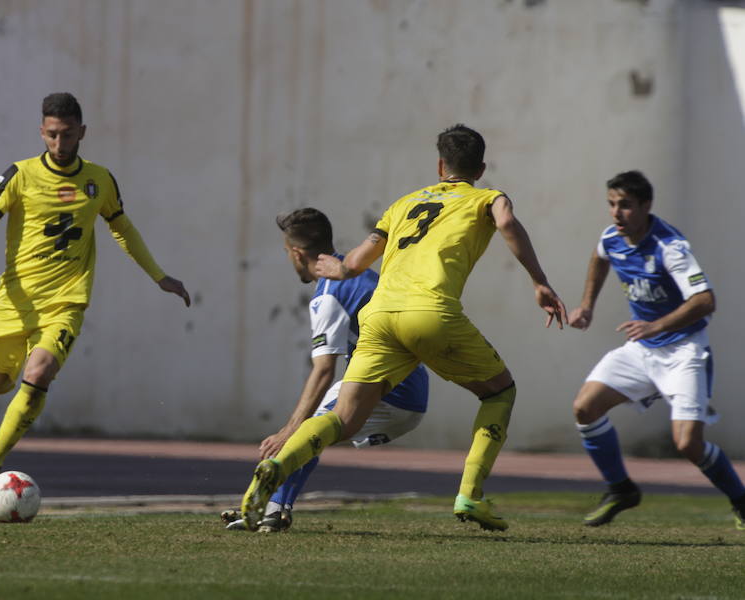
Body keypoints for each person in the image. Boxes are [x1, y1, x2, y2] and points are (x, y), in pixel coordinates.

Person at [239, 124, 567, 532]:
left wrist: (339, 268)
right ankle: (470, 495)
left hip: (379, 317)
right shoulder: (488, 197)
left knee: (344, 416)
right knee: (501, 391)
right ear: (480, 168)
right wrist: (539, 280)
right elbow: (508, 224)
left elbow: (356, 262)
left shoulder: (404, 203)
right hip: (430, 313)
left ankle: (277, 464)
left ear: (439, 165)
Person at [0, 93, 190, 522]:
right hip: (12, 305)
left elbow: (123, 230)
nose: (59, 143)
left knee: (38, 374)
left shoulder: (99, 180)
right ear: (42, 132)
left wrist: (160, 276)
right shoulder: (19, 174)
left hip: (64, 303)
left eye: (68, 134)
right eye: (52, 134)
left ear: (82, 132)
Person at [222, 208, 429, 532]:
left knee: (306, 429)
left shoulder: (330, 293)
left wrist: (287, 430)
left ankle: (270, 507)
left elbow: (323, 370)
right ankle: (274, 505)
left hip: (393, 393)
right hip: (407, 384)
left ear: (296, 252)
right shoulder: (356, 272)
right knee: (313, 426)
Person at [569, 170, 745, 530]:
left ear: (646, 206)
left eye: (626, 206)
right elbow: (599, 258)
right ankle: (621, 489)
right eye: (612, 204)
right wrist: (587, 305)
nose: (616, 213)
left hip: (684, 352)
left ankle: (741, 499)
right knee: (585, 407)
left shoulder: (670, 247)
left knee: (687, 444)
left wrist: (656, 325)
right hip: (641, 350)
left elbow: (705, 300)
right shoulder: (612, 238)